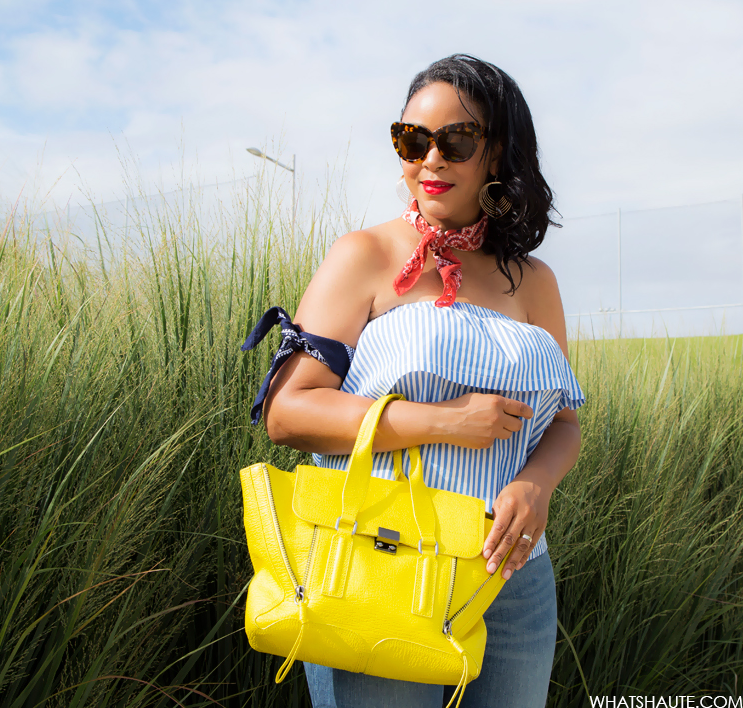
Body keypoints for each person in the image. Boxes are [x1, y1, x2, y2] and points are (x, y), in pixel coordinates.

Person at [246, 54, 585, 708]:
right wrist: (443, 420)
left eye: (456, 141)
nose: (429, 159)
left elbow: (563, 424)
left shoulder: (534, 281)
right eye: (411, 139)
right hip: (382, 559)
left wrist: (536, 485)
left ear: (496, 155)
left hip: (513, 576)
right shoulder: (364, 257)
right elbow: (288, 413)